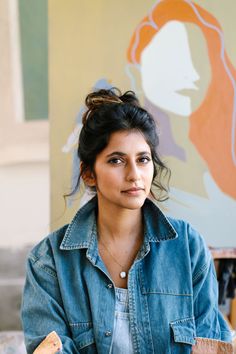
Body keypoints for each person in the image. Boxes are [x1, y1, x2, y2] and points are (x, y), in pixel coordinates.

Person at [21, 88, 233, 353]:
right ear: (89, 174)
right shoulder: (48, 261)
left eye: (143, 159)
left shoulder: (188, 247)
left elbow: (209, 345)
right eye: (116, 160)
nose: (134, 174)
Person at [126, 0, 236, 247]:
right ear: (138, 67)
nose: (193, 75)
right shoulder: (124, 175)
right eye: (175, 57)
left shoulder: (215, 165)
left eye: (199, 58)